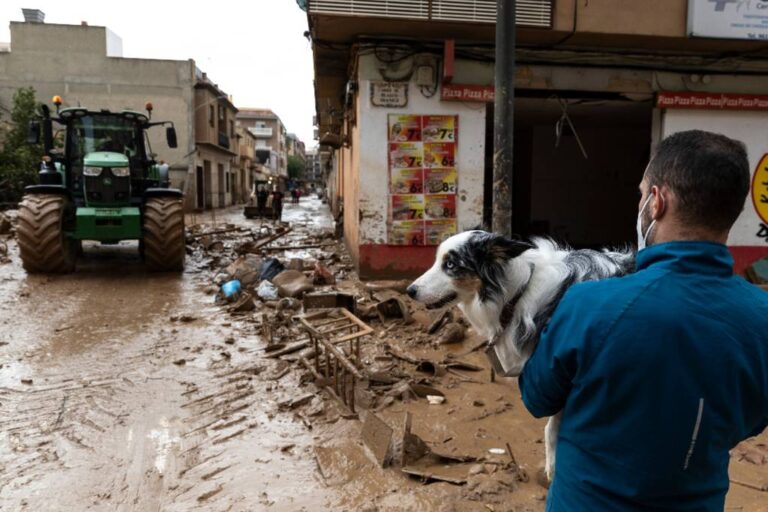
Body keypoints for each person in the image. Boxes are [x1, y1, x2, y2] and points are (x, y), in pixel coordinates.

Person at [519, 130, 768, 512]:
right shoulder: (760, 318)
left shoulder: (590, 305)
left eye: (640, 193)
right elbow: (751, 420)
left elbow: (537, 397)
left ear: (656, 202)